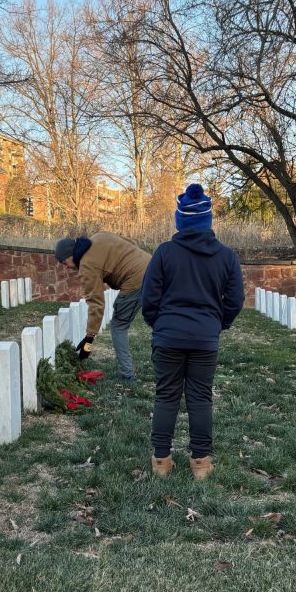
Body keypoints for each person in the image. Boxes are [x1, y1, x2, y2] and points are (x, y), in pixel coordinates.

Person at [140, 184, 245, 480]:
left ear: (180, 220)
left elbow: (149, 298)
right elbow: (235, 300)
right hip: (204, 339)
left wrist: (159, 324)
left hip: (168, 337)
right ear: (207, 221)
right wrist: (217, 324)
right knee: (200, 397)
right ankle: (200, 463)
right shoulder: (226, 256)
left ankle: (161, 461)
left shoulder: (164, 253)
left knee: (166, 396)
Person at [55, 232, 151, 385]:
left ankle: (128, 375)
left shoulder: (86, 265)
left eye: (65, 262)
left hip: (135, 280)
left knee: (118, 326)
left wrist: (89, 338)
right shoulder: (99, 236)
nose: (66, 268)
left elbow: (96, 303)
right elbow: (130, 240)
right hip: (152, 265)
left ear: (70, 254)